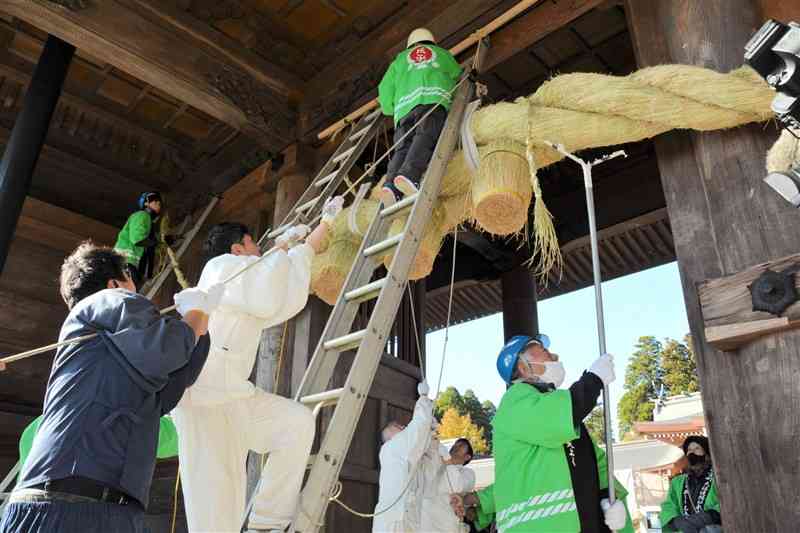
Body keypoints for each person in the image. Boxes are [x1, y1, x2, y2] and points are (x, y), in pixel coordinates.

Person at [0, 241, 220, 533]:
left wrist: (199, 329)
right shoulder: (104, 300)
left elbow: (171, 386)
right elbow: (165, 349)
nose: (136, 294)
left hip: (88, 505)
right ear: (115, 282)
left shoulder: (102, 346)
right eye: (132, 284)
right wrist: (193, 316)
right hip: (72, 505)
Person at [171, 197, 341, 533]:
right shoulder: (219, 269)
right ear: (237, 249)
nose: (259, 252)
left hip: (237, 397)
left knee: (296, 424)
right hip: (203, 403)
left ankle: (267, 522)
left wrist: (312, 239)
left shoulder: (247, 279)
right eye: (254, 245)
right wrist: (289, 247)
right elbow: (267, 292)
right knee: (216, 511)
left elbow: (282, 300)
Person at [453, 334, 633, 533]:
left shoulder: (560, 415)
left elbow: (596, 464)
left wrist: (609, 498)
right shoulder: (516, 400)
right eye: (544, 351)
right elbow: (564, 412)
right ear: (523, 366)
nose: (554, 356)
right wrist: (593, 379)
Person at [377, 28, 462, 206]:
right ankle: (409, 175)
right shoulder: (441, 54)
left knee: (402, 148)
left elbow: (384, 90)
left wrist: (391, 108)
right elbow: (457, 74)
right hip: (432, 103)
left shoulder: (398, 61)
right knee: (425, 137)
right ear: (432, 42)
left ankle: (391, 186)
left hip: (403, 112)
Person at [373, 380, 434, 533]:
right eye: (399, 427)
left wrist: (430, 429)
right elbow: (418, 427)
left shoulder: (397, 453)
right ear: (389, 434)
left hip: (398, 518)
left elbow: (421, 441)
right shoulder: (393, 446)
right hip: (397, 519)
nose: (404, 427)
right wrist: (424, 398)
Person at [660, 436, 722, 533]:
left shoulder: (719, 476)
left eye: (697, 448)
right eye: (689, 450)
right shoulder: (677, 482)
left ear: (706, 453)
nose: (692, 452)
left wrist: (708, 516)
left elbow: (729, 501)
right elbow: (669, 505)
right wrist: (675, 521)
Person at [114, 191, 171, 289]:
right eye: (154, 200)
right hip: (124, 264)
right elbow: (137, 239)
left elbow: (147, 245)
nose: (158, 203)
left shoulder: (146, 220)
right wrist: (159, 243)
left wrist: (161, 244)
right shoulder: (142, 215)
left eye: (159, 202)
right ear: (145, 203)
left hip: (123, 264)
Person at [419, 437, 476, 533]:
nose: (456, 446)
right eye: (455, 444)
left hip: (446, 525)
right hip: (425, 523)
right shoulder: (438, 465)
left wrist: (448, 460)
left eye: (461, 445)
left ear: (467, 457)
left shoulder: (468, 473)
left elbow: (456, 486)